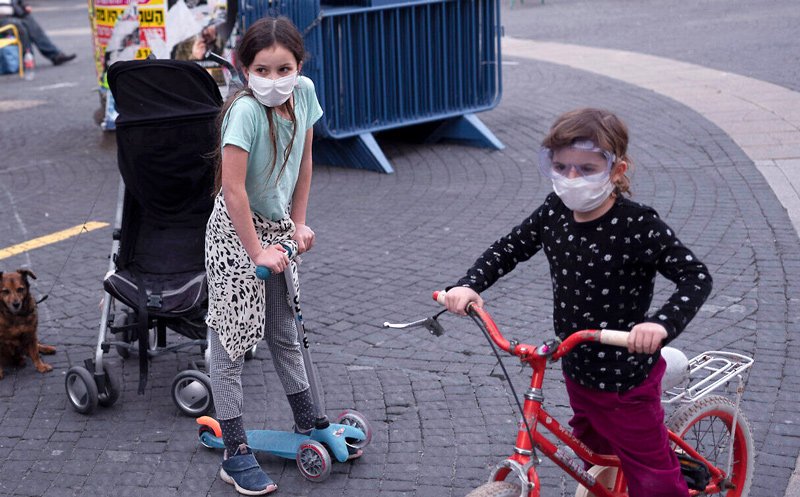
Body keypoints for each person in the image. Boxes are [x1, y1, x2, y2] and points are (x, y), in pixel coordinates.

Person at [443, 108, 712, 497]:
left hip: (627, 379)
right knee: (594, 451)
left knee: (653, 477)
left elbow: (695, 276)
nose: (572, 179)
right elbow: (508, 249)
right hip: (578, 367)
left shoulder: (636, 224)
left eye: (586, 169)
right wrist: (468, 285)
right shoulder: (554, 212)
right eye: (561, 167)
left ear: (616, 170)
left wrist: (660, 324)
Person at [204, 16, 322, 496]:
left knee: (284, 331)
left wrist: (296, 224)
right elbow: (233, 192)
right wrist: (257, 251)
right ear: (244, 68)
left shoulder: (306, 92)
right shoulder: (246, 112)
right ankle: (235, 453)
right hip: (236, 236)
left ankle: (306, 421)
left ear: (299, 65)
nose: (275, 80)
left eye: (284, 68)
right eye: (263, 70)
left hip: (276, 231)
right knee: (230, 344)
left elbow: (305, 161)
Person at [0, 0, 75, 65]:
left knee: (29, 21)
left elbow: (18, 2)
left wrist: (25, 6)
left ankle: (55, 55)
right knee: (20, 25)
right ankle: (27, 57)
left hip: (13, 15)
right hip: (3, 18)